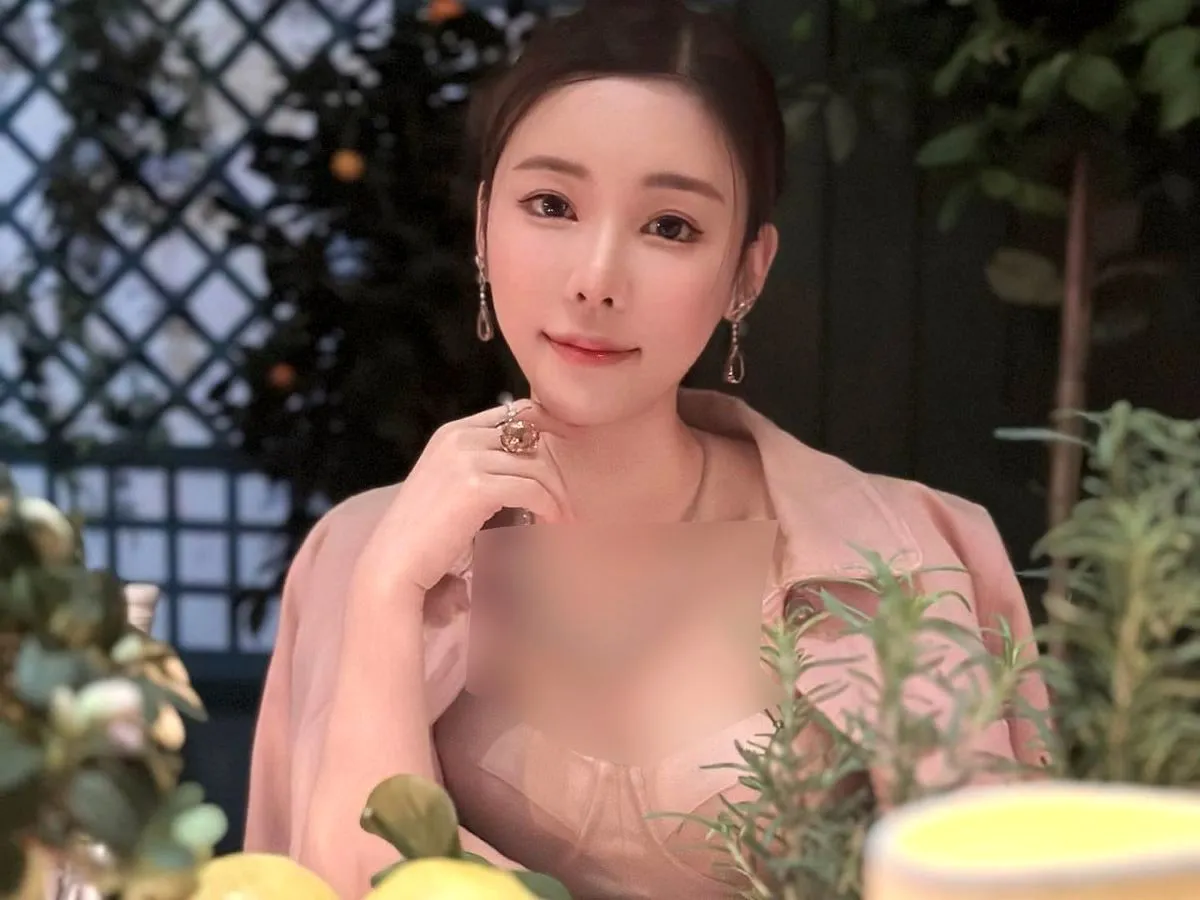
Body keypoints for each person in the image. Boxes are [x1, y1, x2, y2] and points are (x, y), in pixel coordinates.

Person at [243, 1, 1050, 897]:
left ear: (747, 271)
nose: (596, 281)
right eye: (551, 205)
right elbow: (325, 886)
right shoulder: (362, 552)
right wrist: (388, 594)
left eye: (670, 226)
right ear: (482, 228)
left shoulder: (907, 554)